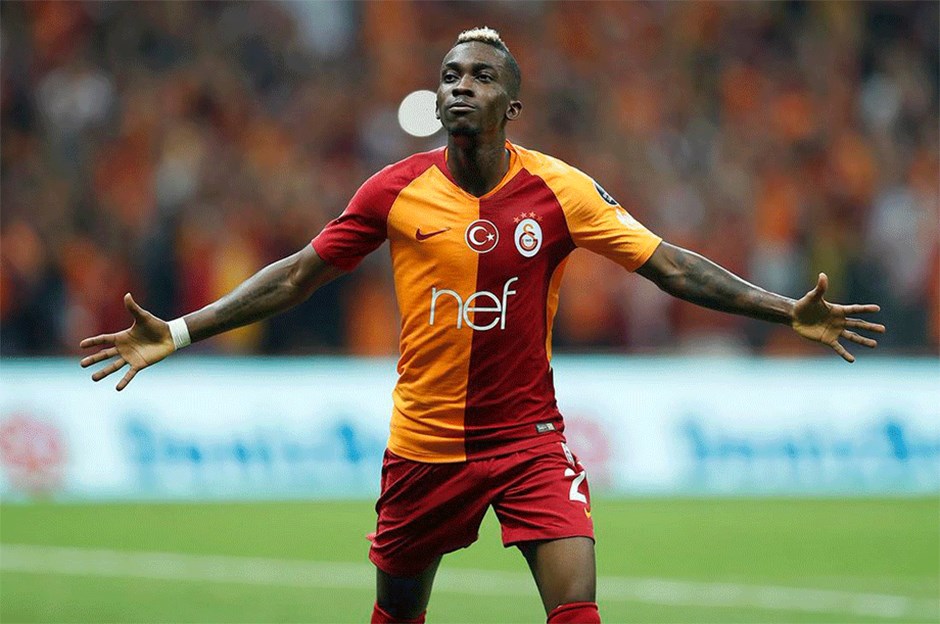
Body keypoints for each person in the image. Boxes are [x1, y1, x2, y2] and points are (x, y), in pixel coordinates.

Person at [80, 27, 885, 624]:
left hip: (529, 441)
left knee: (577, 608)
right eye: (450, 76)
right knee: (397, 613)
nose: (461, 86)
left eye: (481, 76)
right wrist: (178, 332)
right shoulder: (393, 191)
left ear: (512, 105)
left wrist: (786, 311)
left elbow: (668, 264)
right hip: (423, 446)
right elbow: (296, 275)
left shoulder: (561, 191)